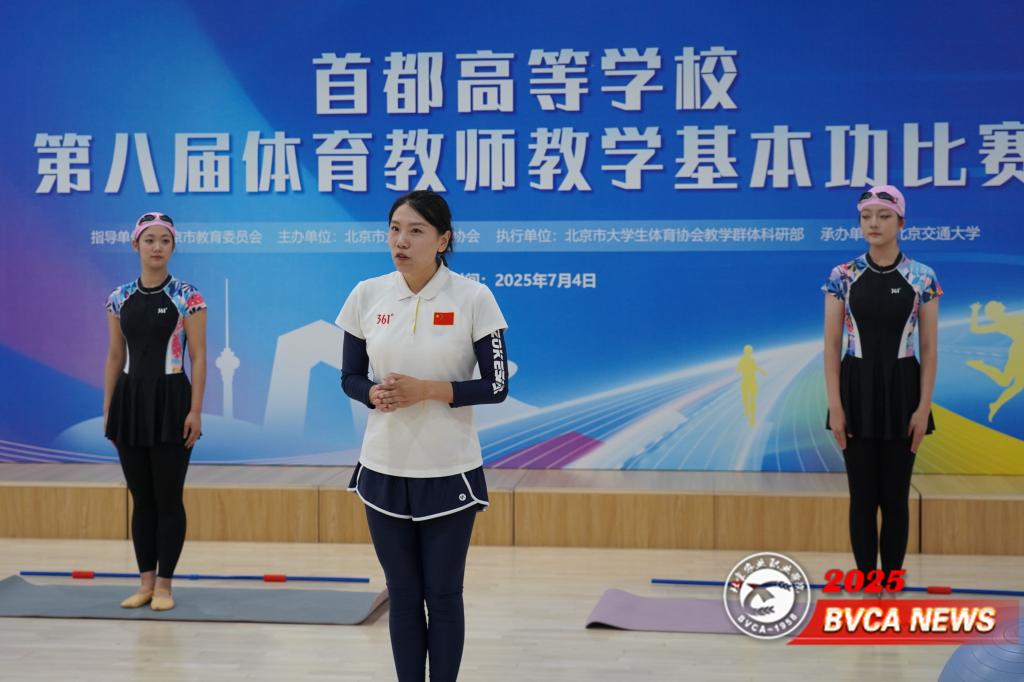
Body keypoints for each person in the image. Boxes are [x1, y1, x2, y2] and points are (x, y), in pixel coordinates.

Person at [336, 190, 508, 682]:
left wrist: (427, 390)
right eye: (395, 229)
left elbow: (496, 385)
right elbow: (350, 377)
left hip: (449, 469)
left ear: (443, 240)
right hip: (383, 468)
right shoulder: (366, 294)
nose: (401, 241)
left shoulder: (475, 298)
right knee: (404, 595)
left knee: (444, 595)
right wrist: (373, 393)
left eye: (415, 231)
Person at [822, 186, 941, 581]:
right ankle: (865, 582)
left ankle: (890, 581)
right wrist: (835, 406)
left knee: (894, 497)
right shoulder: (843, 275)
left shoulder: (922, 277)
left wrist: (923, 408)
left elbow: (929, 348)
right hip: (855, 391)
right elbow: (832, 345)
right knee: (862, 497)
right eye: (866, 216)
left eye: (884, 216)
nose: (874, 223)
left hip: (903, 391)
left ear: (901, 222)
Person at [103, 212, 207, 611]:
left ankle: (165, 585)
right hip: (130, 402)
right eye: (149, 240)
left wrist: (195, 411)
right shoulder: (119, 297)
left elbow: (198, 356)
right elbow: (115, 356)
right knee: (141, 498)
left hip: (171, 401)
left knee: (168, 497)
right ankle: (145, 582)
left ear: (173, 246)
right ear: (136, 245)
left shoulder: (187, 296)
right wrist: (109, 410)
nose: (157, 247)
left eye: (165, 240)